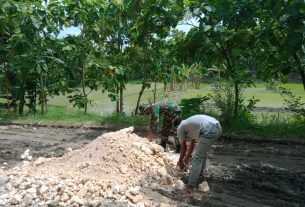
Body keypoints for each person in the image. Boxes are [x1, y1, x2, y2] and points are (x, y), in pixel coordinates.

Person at [174, 114, 222, 195]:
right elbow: (192, 144)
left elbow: (183, 147)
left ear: (176, 126)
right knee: (202, 153)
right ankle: (200, 173)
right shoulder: (190, 124)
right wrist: (186, 158)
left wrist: (180, 161)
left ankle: (189, 188)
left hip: (209, 129)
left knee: (197, 158)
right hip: (218, 127)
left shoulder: (180, 127)